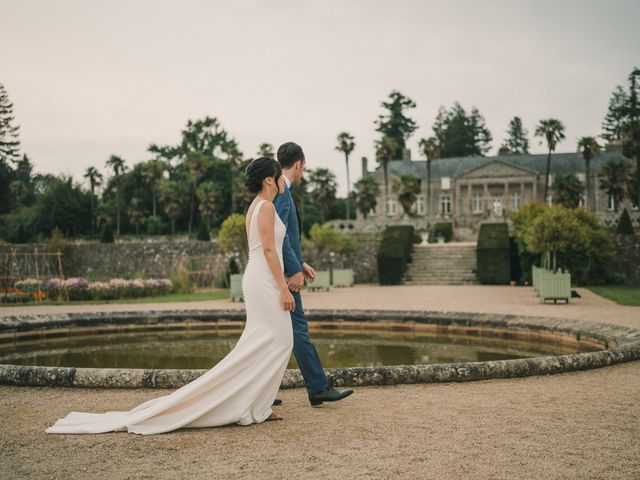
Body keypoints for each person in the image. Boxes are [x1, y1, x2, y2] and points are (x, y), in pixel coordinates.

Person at [45, 157, 295, 435]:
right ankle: (254, 405)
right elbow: (270, 251)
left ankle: (258, 405)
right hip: (264, 280)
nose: (285, 180)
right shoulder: (267, 207)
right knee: (282, 339)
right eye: (279, 176)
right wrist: (283, 288)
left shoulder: (256, 206)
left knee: (262, 342)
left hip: (259, 277)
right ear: (269, 180)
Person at [273, 142, 353, 406]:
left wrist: (301, 261)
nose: (303, 171)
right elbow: (281, 235)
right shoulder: (283, 191)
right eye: (303, 167)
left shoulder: (278, 189)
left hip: (284, 270)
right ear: (298, 164)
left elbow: (281, 236)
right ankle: (318, 387)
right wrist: (294, 269)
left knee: (274, 334)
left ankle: (260, 392)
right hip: (286, 276)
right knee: (299, 330)